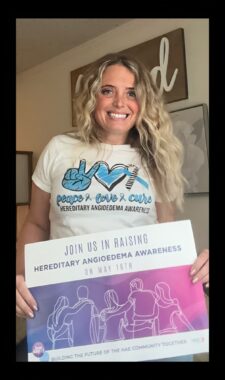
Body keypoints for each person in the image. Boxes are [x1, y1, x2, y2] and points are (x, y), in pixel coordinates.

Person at [16, 52, 209, 361]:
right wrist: (20, 275)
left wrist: (198, 267)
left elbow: (166, 236)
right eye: (108, 90)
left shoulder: (154, 158)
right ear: (93, 97)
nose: (120, 102)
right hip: (64, 299)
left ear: (143, 102)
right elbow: (37, 223)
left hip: (140, 309)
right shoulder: (59, 148)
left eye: (131, 93)